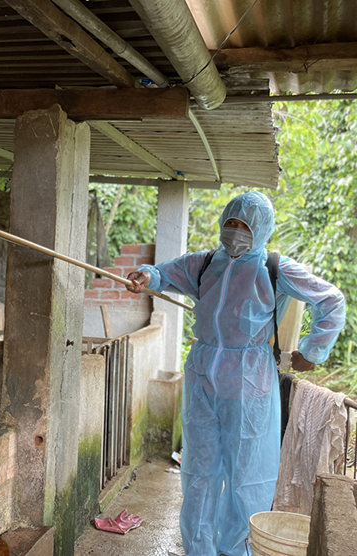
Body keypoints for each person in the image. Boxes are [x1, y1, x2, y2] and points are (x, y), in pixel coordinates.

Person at [126, 191, 345, 556]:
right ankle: (199, 549)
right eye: (231, 223)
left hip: (250, 379)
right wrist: (144, 276)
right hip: (202, 377)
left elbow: (331, 300)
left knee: (248, 480)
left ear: (261, 231)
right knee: (199, 473)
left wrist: (312, 350)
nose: (235, 232)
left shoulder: (275, 268)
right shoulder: (204, 263)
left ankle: (236, 550)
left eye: (244, 226)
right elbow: (162, 274)